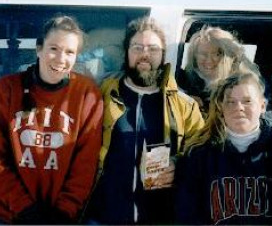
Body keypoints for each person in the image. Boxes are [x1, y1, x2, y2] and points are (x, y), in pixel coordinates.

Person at [84, 16, 204, 225]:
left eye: (153, 49)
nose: (144, 55)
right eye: (137, 47)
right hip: (103, 217)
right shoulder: (100, 93)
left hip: (160, 218)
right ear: (127, 52)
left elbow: (202, 155)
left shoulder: (185, 105)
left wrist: (178, 164)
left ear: (163, 54)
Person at [0, 16, 103, 224]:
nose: (60, 59)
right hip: (8, 215)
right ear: (39, 48)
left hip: (60, 217)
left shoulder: (87, 95)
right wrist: (24, 207)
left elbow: (85, 164)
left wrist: (64, 211)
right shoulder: (7, 89)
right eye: (53, 48)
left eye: (69, 52)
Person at [176, 72, 272, 225]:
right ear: (221, 107)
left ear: (262, 106)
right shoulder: (199, 155)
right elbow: (188, 213)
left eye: (247, 101)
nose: (239, 108)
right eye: (231, 102)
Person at [177, 26, 260, 117]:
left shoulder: (246, 84)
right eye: (203, 54)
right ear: (194, 56)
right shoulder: (181, 80)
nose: (209, 60)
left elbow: (263, 121)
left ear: (229, 56)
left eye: (217, 54)